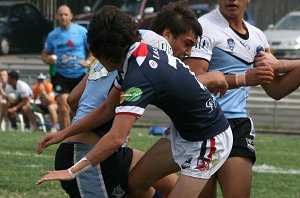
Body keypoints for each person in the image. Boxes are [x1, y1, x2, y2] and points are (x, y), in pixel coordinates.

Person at [36, 5, 233, 198]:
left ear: (108, 52)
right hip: (183, 131)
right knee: (136, 184)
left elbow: (116, 138)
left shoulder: (139, 76)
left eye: (98, 57)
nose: (99, 64)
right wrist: (63, 133)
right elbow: (107, 108)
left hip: (209, 138)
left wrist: (72, 171)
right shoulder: (135, 54)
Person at [184, 0, 300, 197]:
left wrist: (284, 65)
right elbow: (193, 83)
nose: (233, 0)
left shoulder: (257, 36)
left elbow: (276, 90)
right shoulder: (204, 28)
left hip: (237, 126)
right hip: (204, 124)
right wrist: (243, 78)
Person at [41, 5, 94, 130]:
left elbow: (92, 50)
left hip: (80, 74)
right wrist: (47, 59)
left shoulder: (81, 31)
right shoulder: (53, 35)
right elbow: (44, 53)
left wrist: (88, 61)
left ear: (71, 16)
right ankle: (65, 141)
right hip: (61, 75)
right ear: (57, 17)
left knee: (78, 108)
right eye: (61, 15)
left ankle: (78, 135)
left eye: (66, 14)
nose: (63, 17)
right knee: (64, 107)